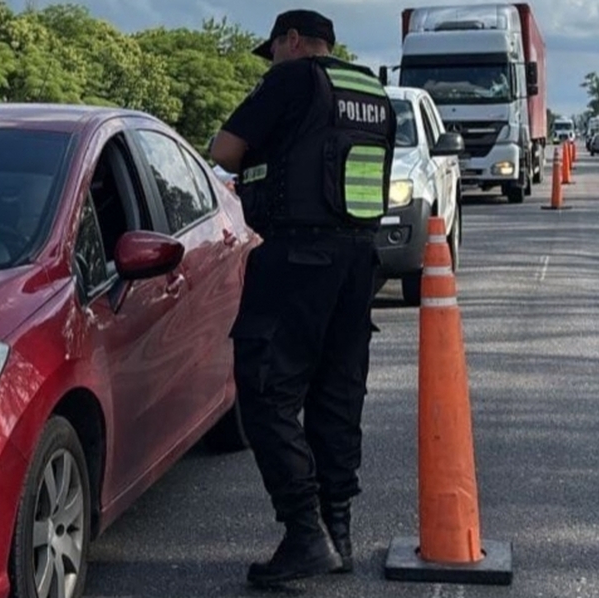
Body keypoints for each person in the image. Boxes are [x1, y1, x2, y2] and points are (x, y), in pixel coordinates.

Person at [210, 8, 395, 587]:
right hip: (358, 259)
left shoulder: (293, 77)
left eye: (275, 50)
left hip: (296, 257)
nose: (274, 61)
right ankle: (338, 532)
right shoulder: (372, 91)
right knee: (337, 394)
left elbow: (225, 149)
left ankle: (304, 533)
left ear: (292, 41)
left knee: (265, 389)